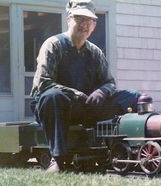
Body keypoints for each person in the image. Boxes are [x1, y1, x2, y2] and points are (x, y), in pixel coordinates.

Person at [30, 0, 141, 172]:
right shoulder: (53, 45)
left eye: (88, 21)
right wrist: (77, 95)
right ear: (69, 19)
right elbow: (44, 83)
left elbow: (109, 82)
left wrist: (101, 92)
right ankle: (58, 159)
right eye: (79, 19)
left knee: (132, 95)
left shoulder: (95, 52)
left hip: (85, 107)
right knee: (52, 96)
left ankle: (125, 150)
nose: (84, 25)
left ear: (94, 25)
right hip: (57, 107)